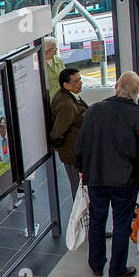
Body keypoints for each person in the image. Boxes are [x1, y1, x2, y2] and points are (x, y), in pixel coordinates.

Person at [74, 71, 139, 277]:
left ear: (116, 86)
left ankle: (96, 264)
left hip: (96, 177)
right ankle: (117, 269)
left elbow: (81, 143)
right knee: (121, 223)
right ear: (138, 92)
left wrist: (82, 167)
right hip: (125, 180)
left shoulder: (95, 110)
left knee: (97, 220)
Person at [49, 67, 88, 198]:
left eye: (80, 79)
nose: (80, 83)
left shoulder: (69, 96)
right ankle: (81, 217)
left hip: (75, 151)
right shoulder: (67, 105)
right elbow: (57, 132)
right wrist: (58, 145)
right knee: (79, 191)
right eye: (76, 81)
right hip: (73, 154)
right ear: (66, 85)